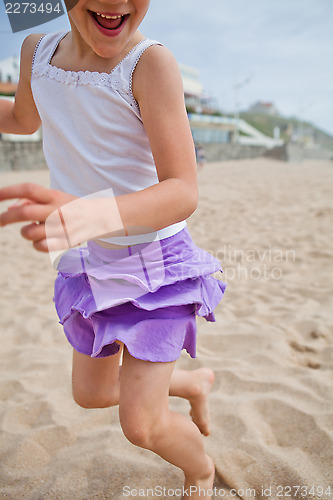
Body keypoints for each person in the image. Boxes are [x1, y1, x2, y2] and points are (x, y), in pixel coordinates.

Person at [0, 1, 226, 497]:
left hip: (157, 264)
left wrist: (88, 213)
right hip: (95, 262)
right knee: (92, 393)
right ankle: (190, 383)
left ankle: (201, 471)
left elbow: (183, 190)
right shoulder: (36, 50)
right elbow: (22, 117)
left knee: (141, 425)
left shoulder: (150, 63)